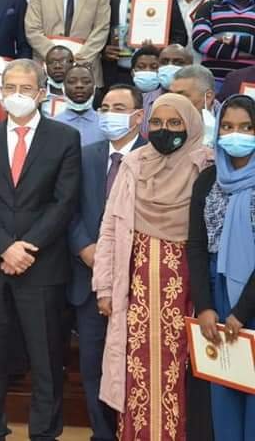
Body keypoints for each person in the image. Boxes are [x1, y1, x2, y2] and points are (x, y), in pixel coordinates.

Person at [0, 58, 82, 440]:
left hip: (42, 264)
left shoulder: (65, 138)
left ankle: (44, 433)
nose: (17, 95)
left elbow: (64, 203)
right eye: (11, 88)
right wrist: (5, 247)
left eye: (26, 89)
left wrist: (25, 249)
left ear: (42, 93)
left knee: (46, 358)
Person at [93, 93, 212, 439]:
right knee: (137, 367)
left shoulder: (205, 165)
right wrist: (104, 287)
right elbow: (110, 228)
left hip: (188, 289)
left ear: (190, 125)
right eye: (157, 122)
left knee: (185, 368)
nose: (165, 130)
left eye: (175, 123)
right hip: (136, 288)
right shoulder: (134, 164)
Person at [68, 84, 146, 441]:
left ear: (138, 116)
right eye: (105, 108)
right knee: (92, 365)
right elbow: (67, 208)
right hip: (88, 280)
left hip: (136, 282)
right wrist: (84, 247)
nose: (109, 114)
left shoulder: (151, 157)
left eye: (119, 108)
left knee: (132, 365)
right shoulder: (86, 155)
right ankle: (102, 434)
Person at [188, 94, 255, 441]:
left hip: (251, 293)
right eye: (227, 126)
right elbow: (196, 246)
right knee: (225, 384)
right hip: (217, 290)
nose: (235, 134)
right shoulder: (207, 179)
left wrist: (242, 312)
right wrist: (205, 306)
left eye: (246, 127)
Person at [102, 0, 186, 87]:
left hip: (154, 73)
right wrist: (103, 51)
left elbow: (180, 36)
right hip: (115, 72)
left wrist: (162, 50)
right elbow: (95, 31)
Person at [192, 0, 255, 85]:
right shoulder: (209, 7)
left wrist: (230, 39)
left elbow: (209, 42)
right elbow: (200, 40)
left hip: (249, 84)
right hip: (212, 82)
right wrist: (241, 54)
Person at [54, 64, 105, 145]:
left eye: (86, 82)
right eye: (72, 82)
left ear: (94, 88)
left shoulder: (106, 123)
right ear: (63, 88)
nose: (79, 86)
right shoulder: (52, 124)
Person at [171, 64, 218, 146]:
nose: (173, 101)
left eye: (182, 96)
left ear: (208, 97)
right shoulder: (164, 119)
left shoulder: (230, 121)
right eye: (171, 95)